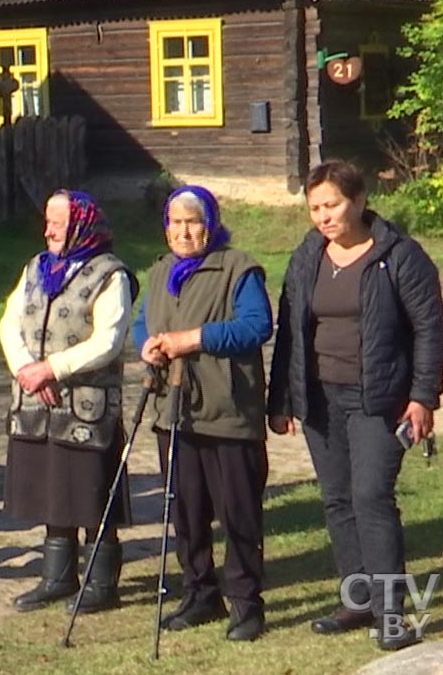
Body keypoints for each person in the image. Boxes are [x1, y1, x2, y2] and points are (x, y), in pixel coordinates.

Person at [270, 161, 443, 652]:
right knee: (338, 499)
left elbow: (430, 330)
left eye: (332, 205)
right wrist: (281, 399)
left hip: (380, 399)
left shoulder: (400, 256)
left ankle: (393, 615)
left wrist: (422, 397)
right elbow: (290, 330)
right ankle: (358, 598)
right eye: (315, 208)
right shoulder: (308, 256)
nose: (323, 217)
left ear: (360, 200)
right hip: (321, 398)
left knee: (371, 497)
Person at [136, 185, 272, 643]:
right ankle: (199, 594)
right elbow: (143, 322)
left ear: (211, 223)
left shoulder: (237, 267)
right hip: (173, 411)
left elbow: (256, 327)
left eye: (193, 220)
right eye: (175, 221)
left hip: (228, 410)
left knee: (238, 513)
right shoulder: (160, 272)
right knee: (187, 511)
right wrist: (147, 345)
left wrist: (193, 339)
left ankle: (247, 603)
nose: (183, 230)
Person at [0, 190, 135, 612]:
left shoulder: (110, 274)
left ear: (81, 224)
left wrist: (52, 368)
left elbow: (109, 341)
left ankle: (101, 584)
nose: (49, 229)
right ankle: (57, 577)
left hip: (86, 405)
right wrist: (26, 368)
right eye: (48, 221)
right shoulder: (38, 267)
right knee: (50, 486)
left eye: (58, 221)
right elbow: (10, 321)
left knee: (91, 489)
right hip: (36, 402)